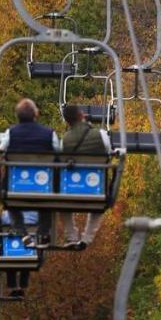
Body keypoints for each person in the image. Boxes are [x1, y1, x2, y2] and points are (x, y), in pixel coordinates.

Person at [0, 97, 61, 248]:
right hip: (43, 185)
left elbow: (1, 150)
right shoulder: (49, 133)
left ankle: (21, 231)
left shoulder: (10, 133)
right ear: (35, 114)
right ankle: (44, 231)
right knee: (46, 204)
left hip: (16, 185)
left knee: (10, 203)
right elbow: (59, 153)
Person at [59, 103, 111, 251]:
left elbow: (61, 159)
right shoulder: (100, 135)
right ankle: (87, 238)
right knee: (97, 207)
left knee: (63, 205)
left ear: (68, 122)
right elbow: (108, 151)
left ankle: (72, 236)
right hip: (96, 188)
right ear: (82, 115)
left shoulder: (65, 140)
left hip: (71, 190)